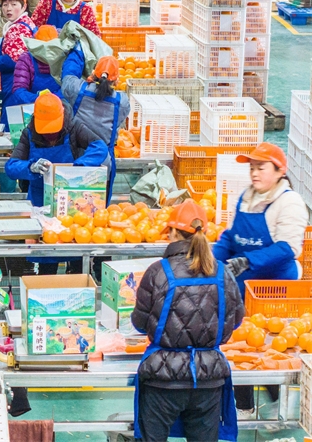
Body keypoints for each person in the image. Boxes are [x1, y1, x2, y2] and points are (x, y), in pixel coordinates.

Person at [131, 200, 243, 442]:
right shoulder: (223, 273)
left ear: (172, 232)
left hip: (162, 381)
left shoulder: (158, 272)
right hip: (209, 380)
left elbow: (139, 323)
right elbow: (236, 321)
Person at [213, 143, 309, 418]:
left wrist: (247, 260)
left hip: (274, 288)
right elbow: (231, 237)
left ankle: (279, 402)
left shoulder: (289, 202)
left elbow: (287, 249)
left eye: (261, 167)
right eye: (252, 167)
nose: (254, 173)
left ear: (280, 171)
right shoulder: (247, 196)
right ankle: (244, 405)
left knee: (271, 344)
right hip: (243, 283)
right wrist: (212, 258)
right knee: (240, 343)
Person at [5, 91, 110, 275]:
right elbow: (11, 167)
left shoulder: (75, 127)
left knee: (77, 253)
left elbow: (99, 146)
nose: (50, 133)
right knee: (46, 258)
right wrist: (30, 167)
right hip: (42, 205)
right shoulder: (29, 133)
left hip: (72, 206)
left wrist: (78, 166)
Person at [62, 54, 130, 204]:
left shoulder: (77, 89)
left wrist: (77, 53)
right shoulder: (122, 101)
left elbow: (67, 77)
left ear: (94, 73)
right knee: (96, 209)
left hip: (75, 157)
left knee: (71, 205)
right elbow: (118, 121)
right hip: (102, 163)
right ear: (116, 80)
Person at [0, 0, 37, 128]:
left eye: (13, 4)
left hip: (15, 82)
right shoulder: (22, 24)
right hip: (20, 81)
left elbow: (13, 61)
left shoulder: (18, 29)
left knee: (11, 124)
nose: (8, 8)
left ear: (23, 6)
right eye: (5, 5)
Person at [8, 24, 61, 107]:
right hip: (32, 109)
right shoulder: (26, 59)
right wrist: (38, 98)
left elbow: (69, 91)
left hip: (59, 108)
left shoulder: (65, 59)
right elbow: (18, 91)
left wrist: (51, 99)